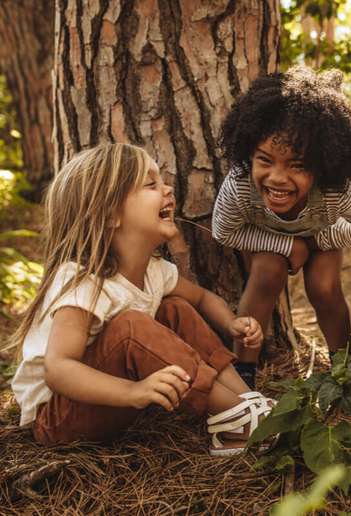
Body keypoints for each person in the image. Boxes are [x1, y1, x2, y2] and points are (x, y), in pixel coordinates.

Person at [10, 143, 276, 456]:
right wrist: (133, 391)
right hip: (59, 418)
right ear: (110, 215)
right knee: (132, 326)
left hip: (107, 400)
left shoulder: (155, 271)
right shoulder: (83, 282)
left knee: (175, 309)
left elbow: (202, 299)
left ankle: (244, 402)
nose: (167, 189)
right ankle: (239, 419)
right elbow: (59, 369)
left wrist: (231, 323)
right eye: (151, 184)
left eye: (162, 181)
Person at [212, 66, 351, 387]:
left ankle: (344, 369)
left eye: (297, 166)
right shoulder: (240, 184)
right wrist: (286, 245)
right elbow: (223, 231)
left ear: (322, 165)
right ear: (249, 153)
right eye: (265, 160)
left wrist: (322, 238)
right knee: (267, 272)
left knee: (323, 286)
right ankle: (243, 376)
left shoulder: (335, 190)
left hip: (320, 236)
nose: (277, 177)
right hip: (266, 240)